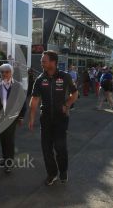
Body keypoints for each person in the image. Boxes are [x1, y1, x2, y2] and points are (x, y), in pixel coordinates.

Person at [28, 51, 78, 186]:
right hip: (45, 119)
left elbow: (75, 93)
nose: (41, 63)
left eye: (44, 61)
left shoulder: (65, 76)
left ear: (53, 62)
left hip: (61, 118)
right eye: (42, 61)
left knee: (60, 146)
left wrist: (67, 104)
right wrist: (32, 118)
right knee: (46, 148)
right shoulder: (40, 79)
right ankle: (52, 173)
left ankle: (63, 171)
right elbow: (34, 100)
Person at [0, 64, 26, 173]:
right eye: (2, 72)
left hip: (12, 117)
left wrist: (21, 116)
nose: (4, 74)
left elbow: (22, 102)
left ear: (11, 73)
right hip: (0, 117)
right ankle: (5, 158)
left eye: (7, 72)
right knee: (3, 138)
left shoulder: (17, 86)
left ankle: (9, 162)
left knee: (9, 138)